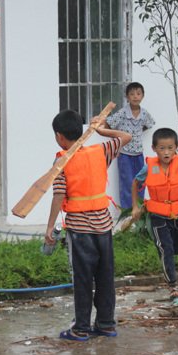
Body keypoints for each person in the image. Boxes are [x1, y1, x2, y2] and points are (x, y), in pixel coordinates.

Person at [45, 109, 131, 342]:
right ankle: (105, 324)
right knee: (105, 277)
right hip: (104, 227)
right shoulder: (100, 151)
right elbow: (126, 137)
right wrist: (102, 131)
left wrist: (49, 227)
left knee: (83, 279)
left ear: (59, 137)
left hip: (80, 229)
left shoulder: (62, 160)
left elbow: (58, 195)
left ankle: (81, 328)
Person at [130, 128, 178, 299]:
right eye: (161, 148)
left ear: (176, 147)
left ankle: (166, 256)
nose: (166, 152)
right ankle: (173, 285)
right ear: (154, 148)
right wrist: (135, 206)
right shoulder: (149, 166)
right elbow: (136, 182)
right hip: (158, 215)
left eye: (170, 148)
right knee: (166, 247)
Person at [105, 82, 155, 209]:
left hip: (139, 154)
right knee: (127, 183)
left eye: (138, 94)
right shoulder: (122, 113)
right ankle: (127, 212)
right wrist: (118, 138)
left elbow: (149, 124)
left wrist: (137, 133)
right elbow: (109, 124)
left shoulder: (144, 113)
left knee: (140, 181)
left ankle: (139, 209)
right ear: (127, 97)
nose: (135, 96)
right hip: (125, 154)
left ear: (143, 96)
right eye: (132, 94)